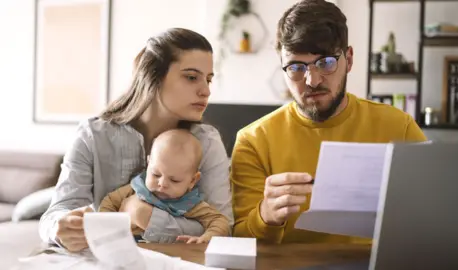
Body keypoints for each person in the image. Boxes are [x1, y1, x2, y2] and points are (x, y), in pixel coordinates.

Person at [230, 0, 427, 244]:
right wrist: (266, 216)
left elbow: (434, 215)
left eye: (325, 63)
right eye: (296, 67)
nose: (312, 80)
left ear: (350, 59)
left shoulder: (400, 128)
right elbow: (238, 242)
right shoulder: (253, 141)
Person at [39, 28, 233, 252]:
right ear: (153, 77)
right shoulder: (93, 135)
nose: (206, 91)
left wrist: (148, 217)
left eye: (208, 79)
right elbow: (56, 213)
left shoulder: (207, 142)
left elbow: (223, 226)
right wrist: (59, 228)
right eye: (191, 77)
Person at [98, 129, 230, 244]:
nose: (162, 184)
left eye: (174, 180)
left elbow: (220, 221)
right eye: (156, 174)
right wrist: (106, 230)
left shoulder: (190, 203)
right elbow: (109, 202)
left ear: (192, 180)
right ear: (148, 163)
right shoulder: (137, 187)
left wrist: (207, 238)